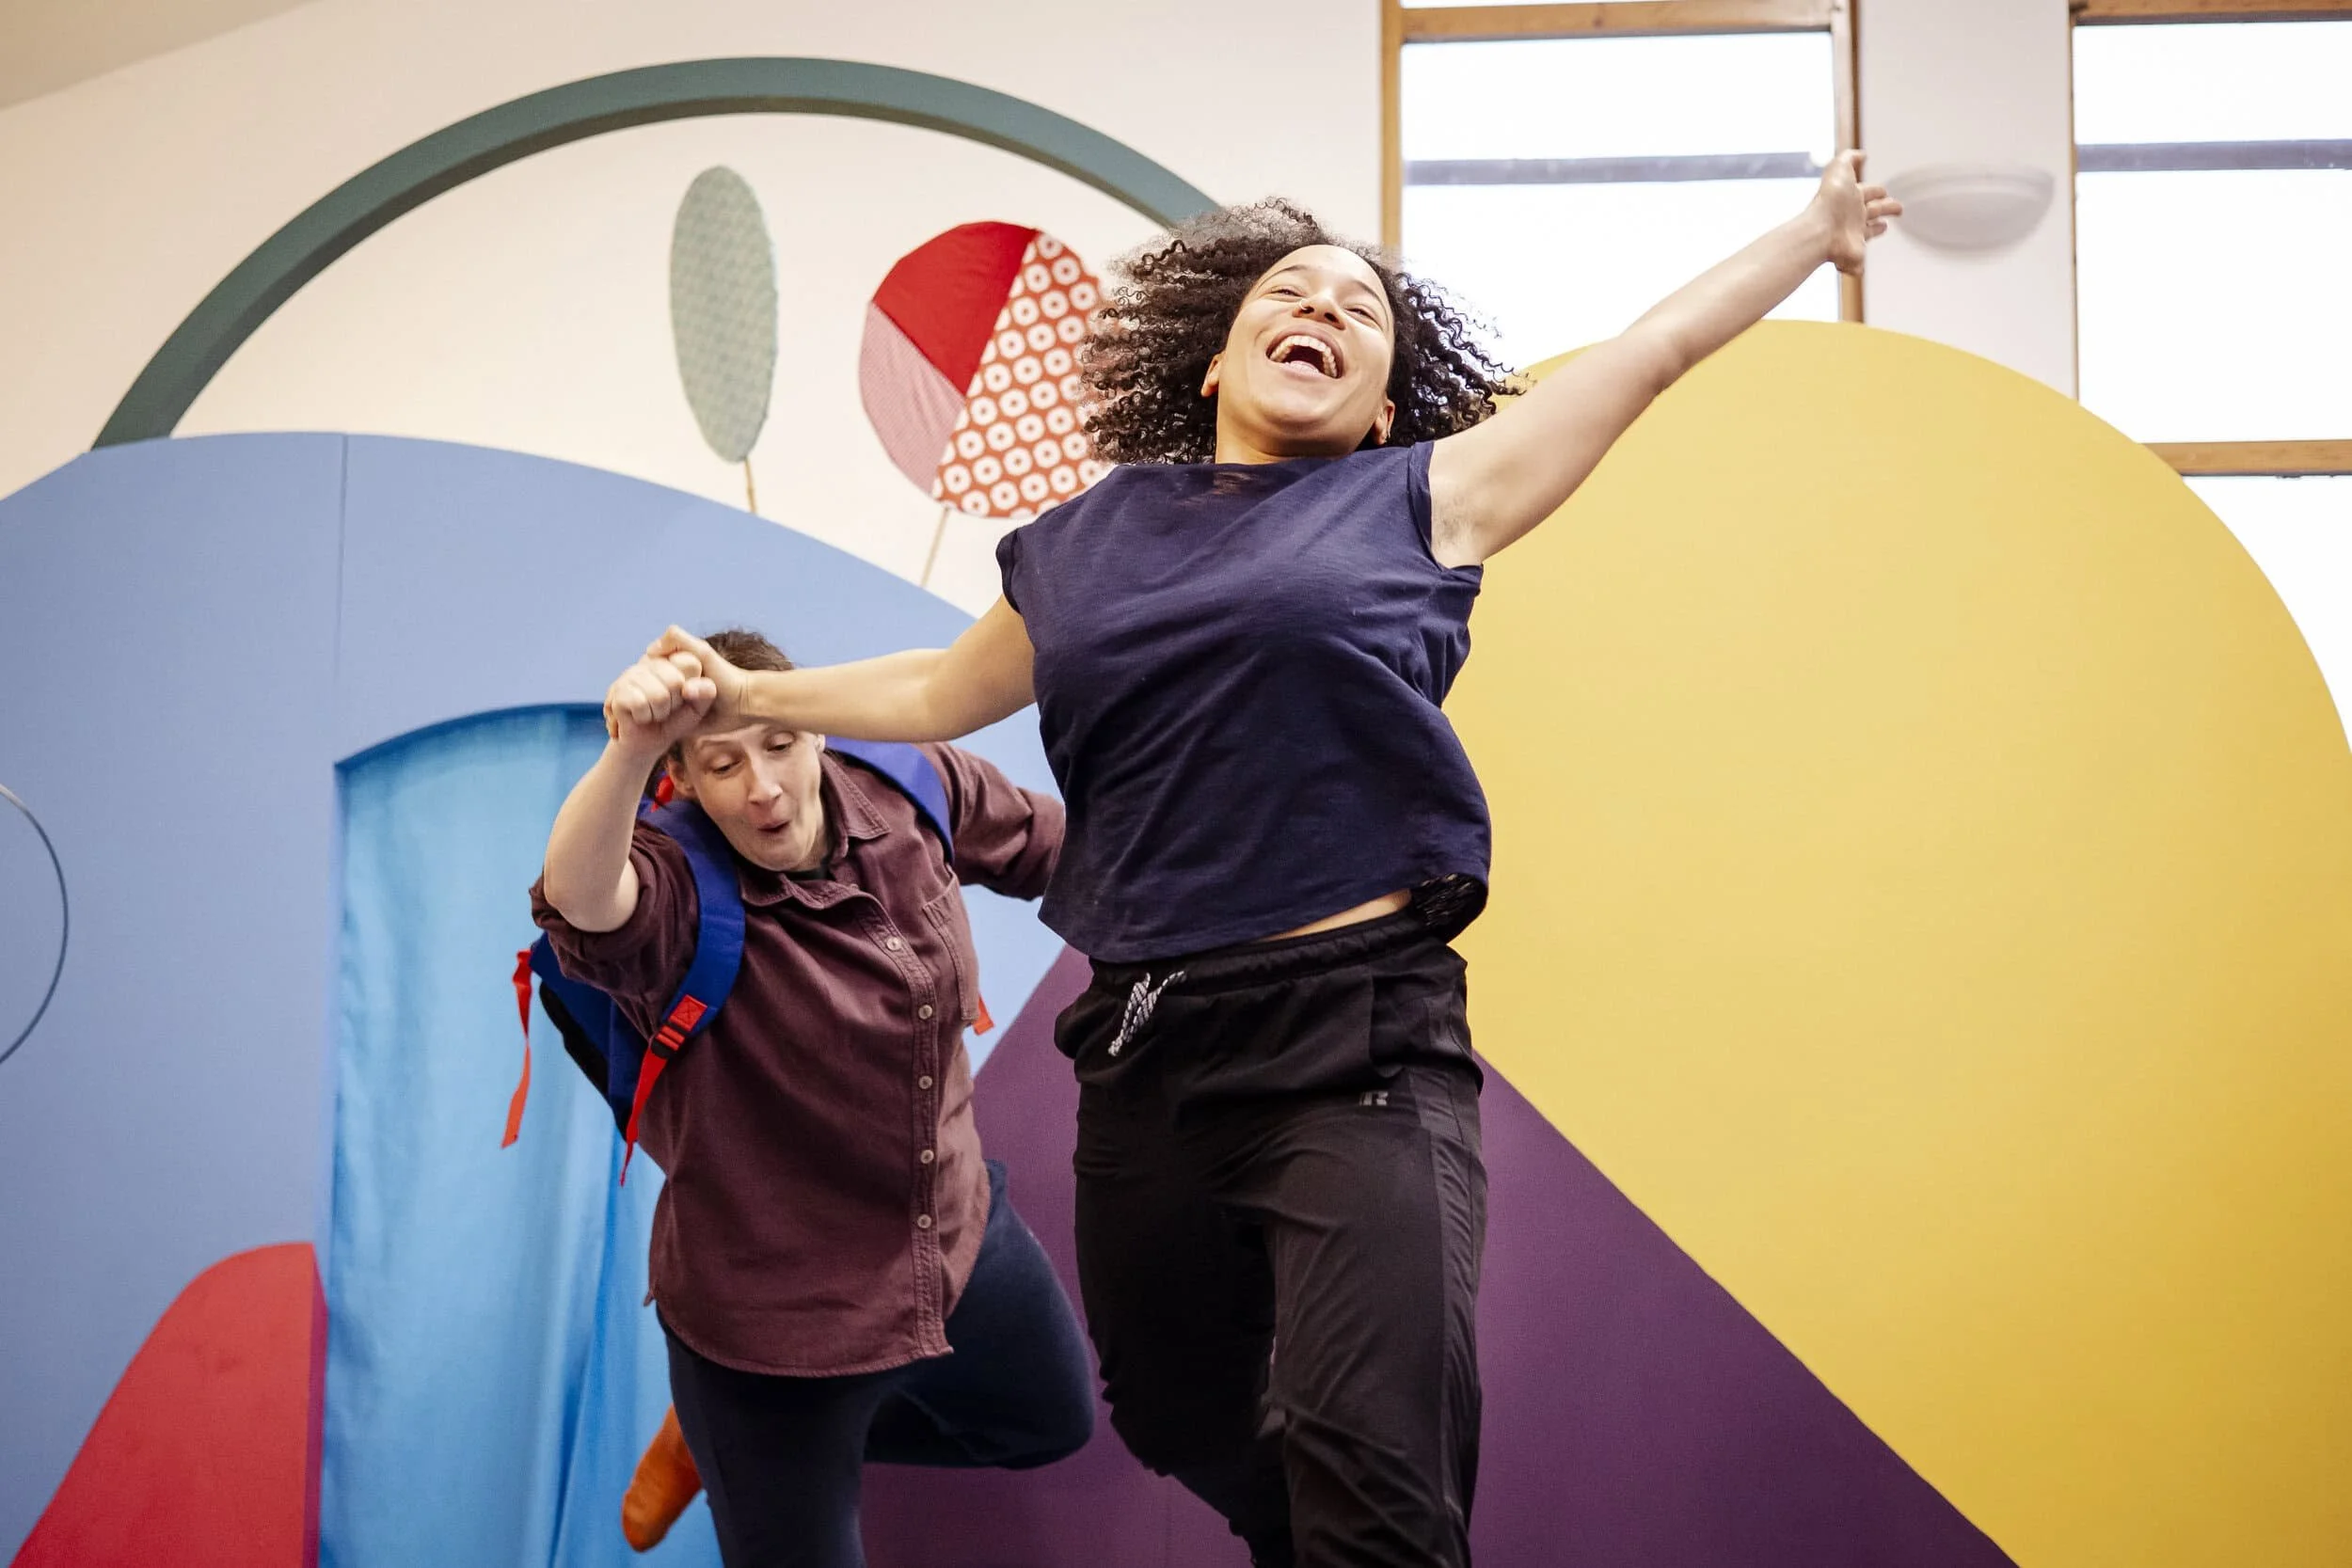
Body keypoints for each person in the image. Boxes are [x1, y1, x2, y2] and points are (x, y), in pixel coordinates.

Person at [635, 157, 1901, 1567]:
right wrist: (743, 698)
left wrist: (1812, 232)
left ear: (1382, 405)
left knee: (1377, 1458)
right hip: (1148, 1053)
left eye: (1360, 310)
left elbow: (1653, 350)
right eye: (1286, 293)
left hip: (1355, 1039)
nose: (1321, 305)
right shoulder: (1083, 540)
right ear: (1210, 365)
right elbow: (940, 690)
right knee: (1175, 1411)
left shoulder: (1426, 499)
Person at [533, 628, 1095, 1567]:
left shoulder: (908, 782)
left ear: (815, 732)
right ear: (686, 782)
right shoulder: (675, 885)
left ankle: (731, 1451)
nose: (759, 786)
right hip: (772, 1333)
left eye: (778, 744)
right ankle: (730, 1442)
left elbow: (1062, 848)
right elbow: (583, 901)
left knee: (1047, 1420)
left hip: (949, 1239)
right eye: (722, 764)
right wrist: (628, 747)